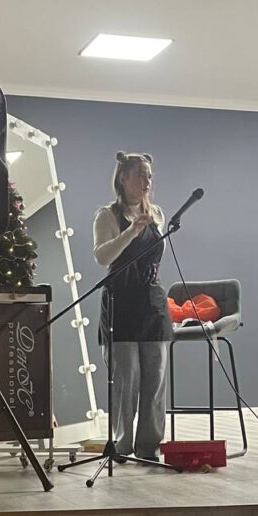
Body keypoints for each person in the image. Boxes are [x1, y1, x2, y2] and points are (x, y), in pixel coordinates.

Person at [93, 151, 172, 461]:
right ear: (123, 177)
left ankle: (149, 447)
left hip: (152, 303)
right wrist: (132, 231)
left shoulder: (158, 214)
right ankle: (122, 447)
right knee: (127, 380)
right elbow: (103, 256)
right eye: (140, 175)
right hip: (121, 303)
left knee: (155, 379)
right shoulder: (107, 215)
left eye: (149, 176)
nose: (147, 181)